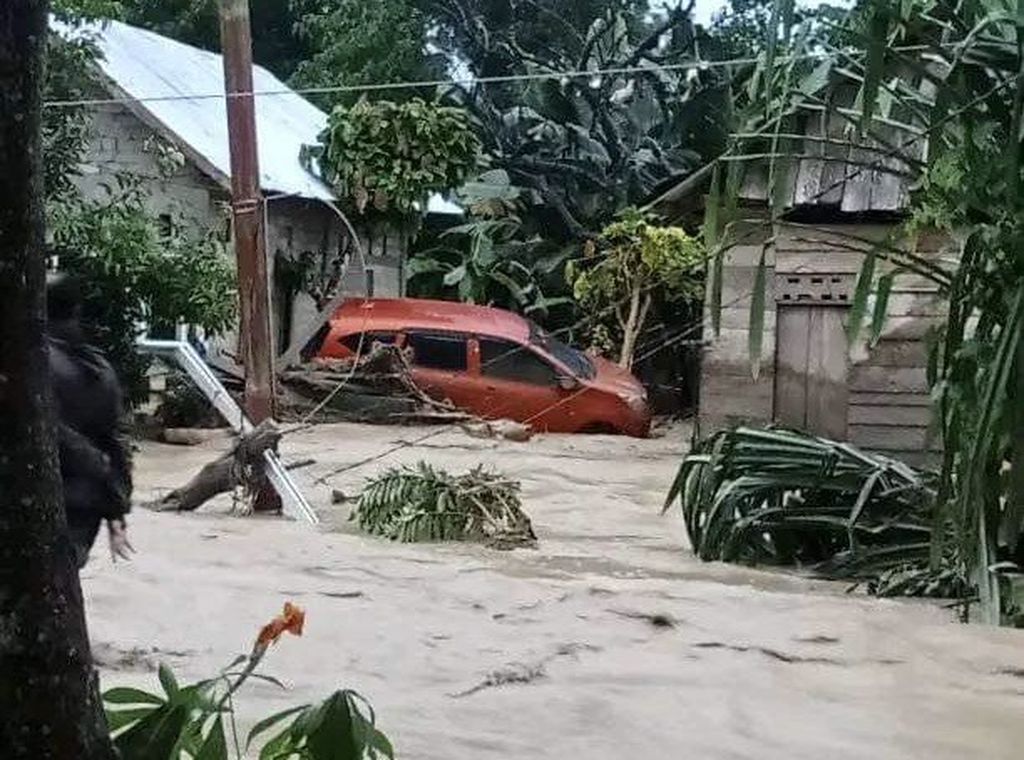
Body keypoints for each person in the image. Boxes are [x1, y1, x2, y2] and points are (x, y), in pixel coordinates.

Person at [46, 272, 134, 567]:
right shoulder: (101, 369)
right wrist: (116, 510)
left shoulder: (30, 365)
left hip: (39, 501)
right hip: (86, 507)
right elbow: (115, 442)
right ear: (76, 310)